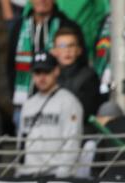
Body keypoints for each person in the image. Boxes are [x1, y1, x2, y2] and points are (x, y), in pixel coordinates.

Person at [7, 0, 81, 128]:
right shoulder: (19, 27)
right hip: (24, 103)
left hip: (59, 104)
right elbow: (10, 65)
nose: (42, 0)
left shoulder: (67, 25)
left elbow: (78, 63)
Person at [17, 52, 82, 177]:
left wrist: (62, 175)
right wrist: (20, 171)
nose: (42, 78)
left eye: (46, 72)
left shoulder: (69, 101)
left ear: (56, 71)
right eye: (37, 73)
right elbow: (22, 141)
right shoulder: (28, 105)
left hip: (54, 174)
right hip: (28, 173)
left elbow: (72, 142)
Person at [52, 26, 99, 120]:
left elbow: (86, 112)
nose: (67, 50)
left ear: (79, 50)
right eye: (62, 46)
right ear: (54, 51)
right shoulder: (49, 77)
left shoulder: (89, 76)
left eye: (71, 45)